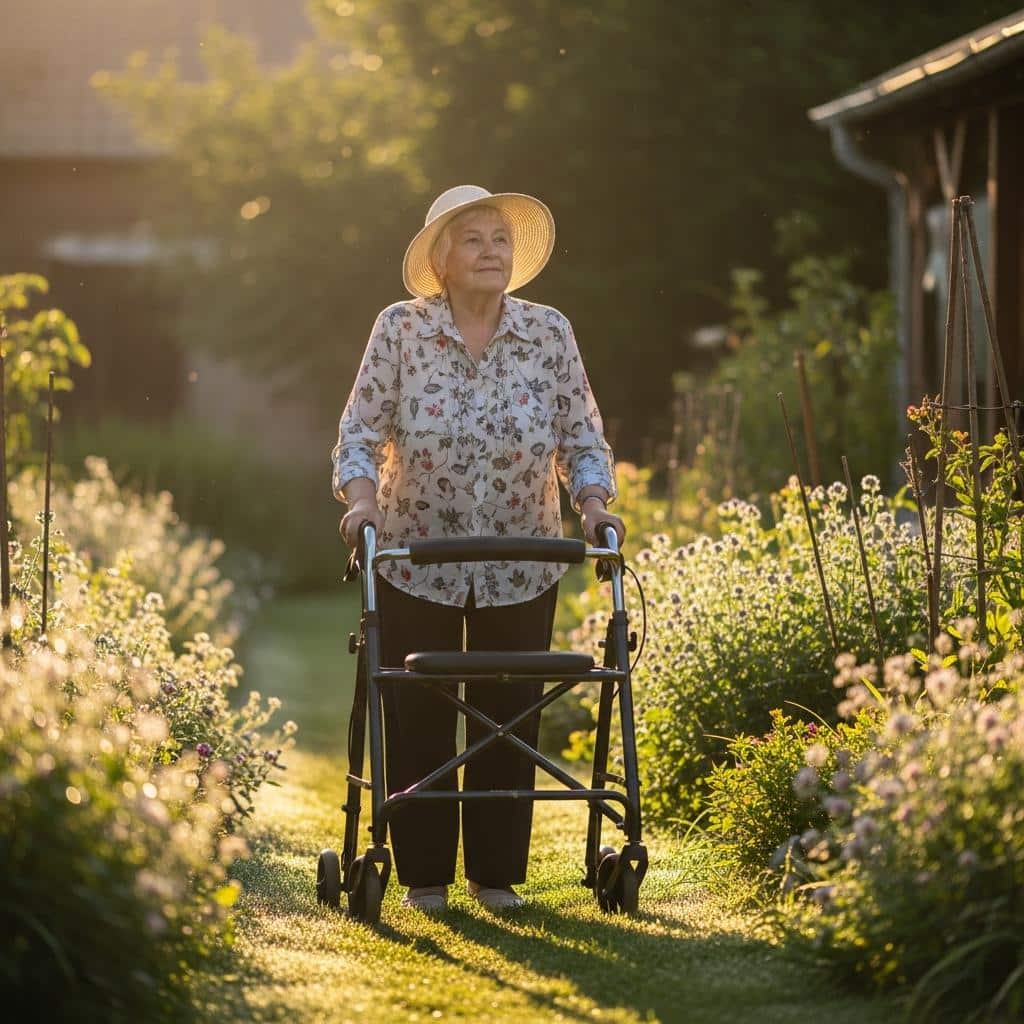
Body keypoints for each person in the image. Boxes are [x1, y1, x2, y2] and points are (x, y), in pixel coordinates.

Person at [330, 184, 625, 911]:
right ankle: (424, 876)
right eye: (473, 238)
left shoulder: (548, 331)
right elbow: (359, 434)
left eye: (500, 238)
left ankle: (495, 877)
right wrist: (361, 502)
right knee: (419, 708)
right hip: (413, 555)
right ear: (441, 260)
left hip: (523, 559)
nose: (492, 250)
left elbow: (581, 436)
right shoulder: (400, 329)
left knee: (510, 711)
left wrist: (593, 506)